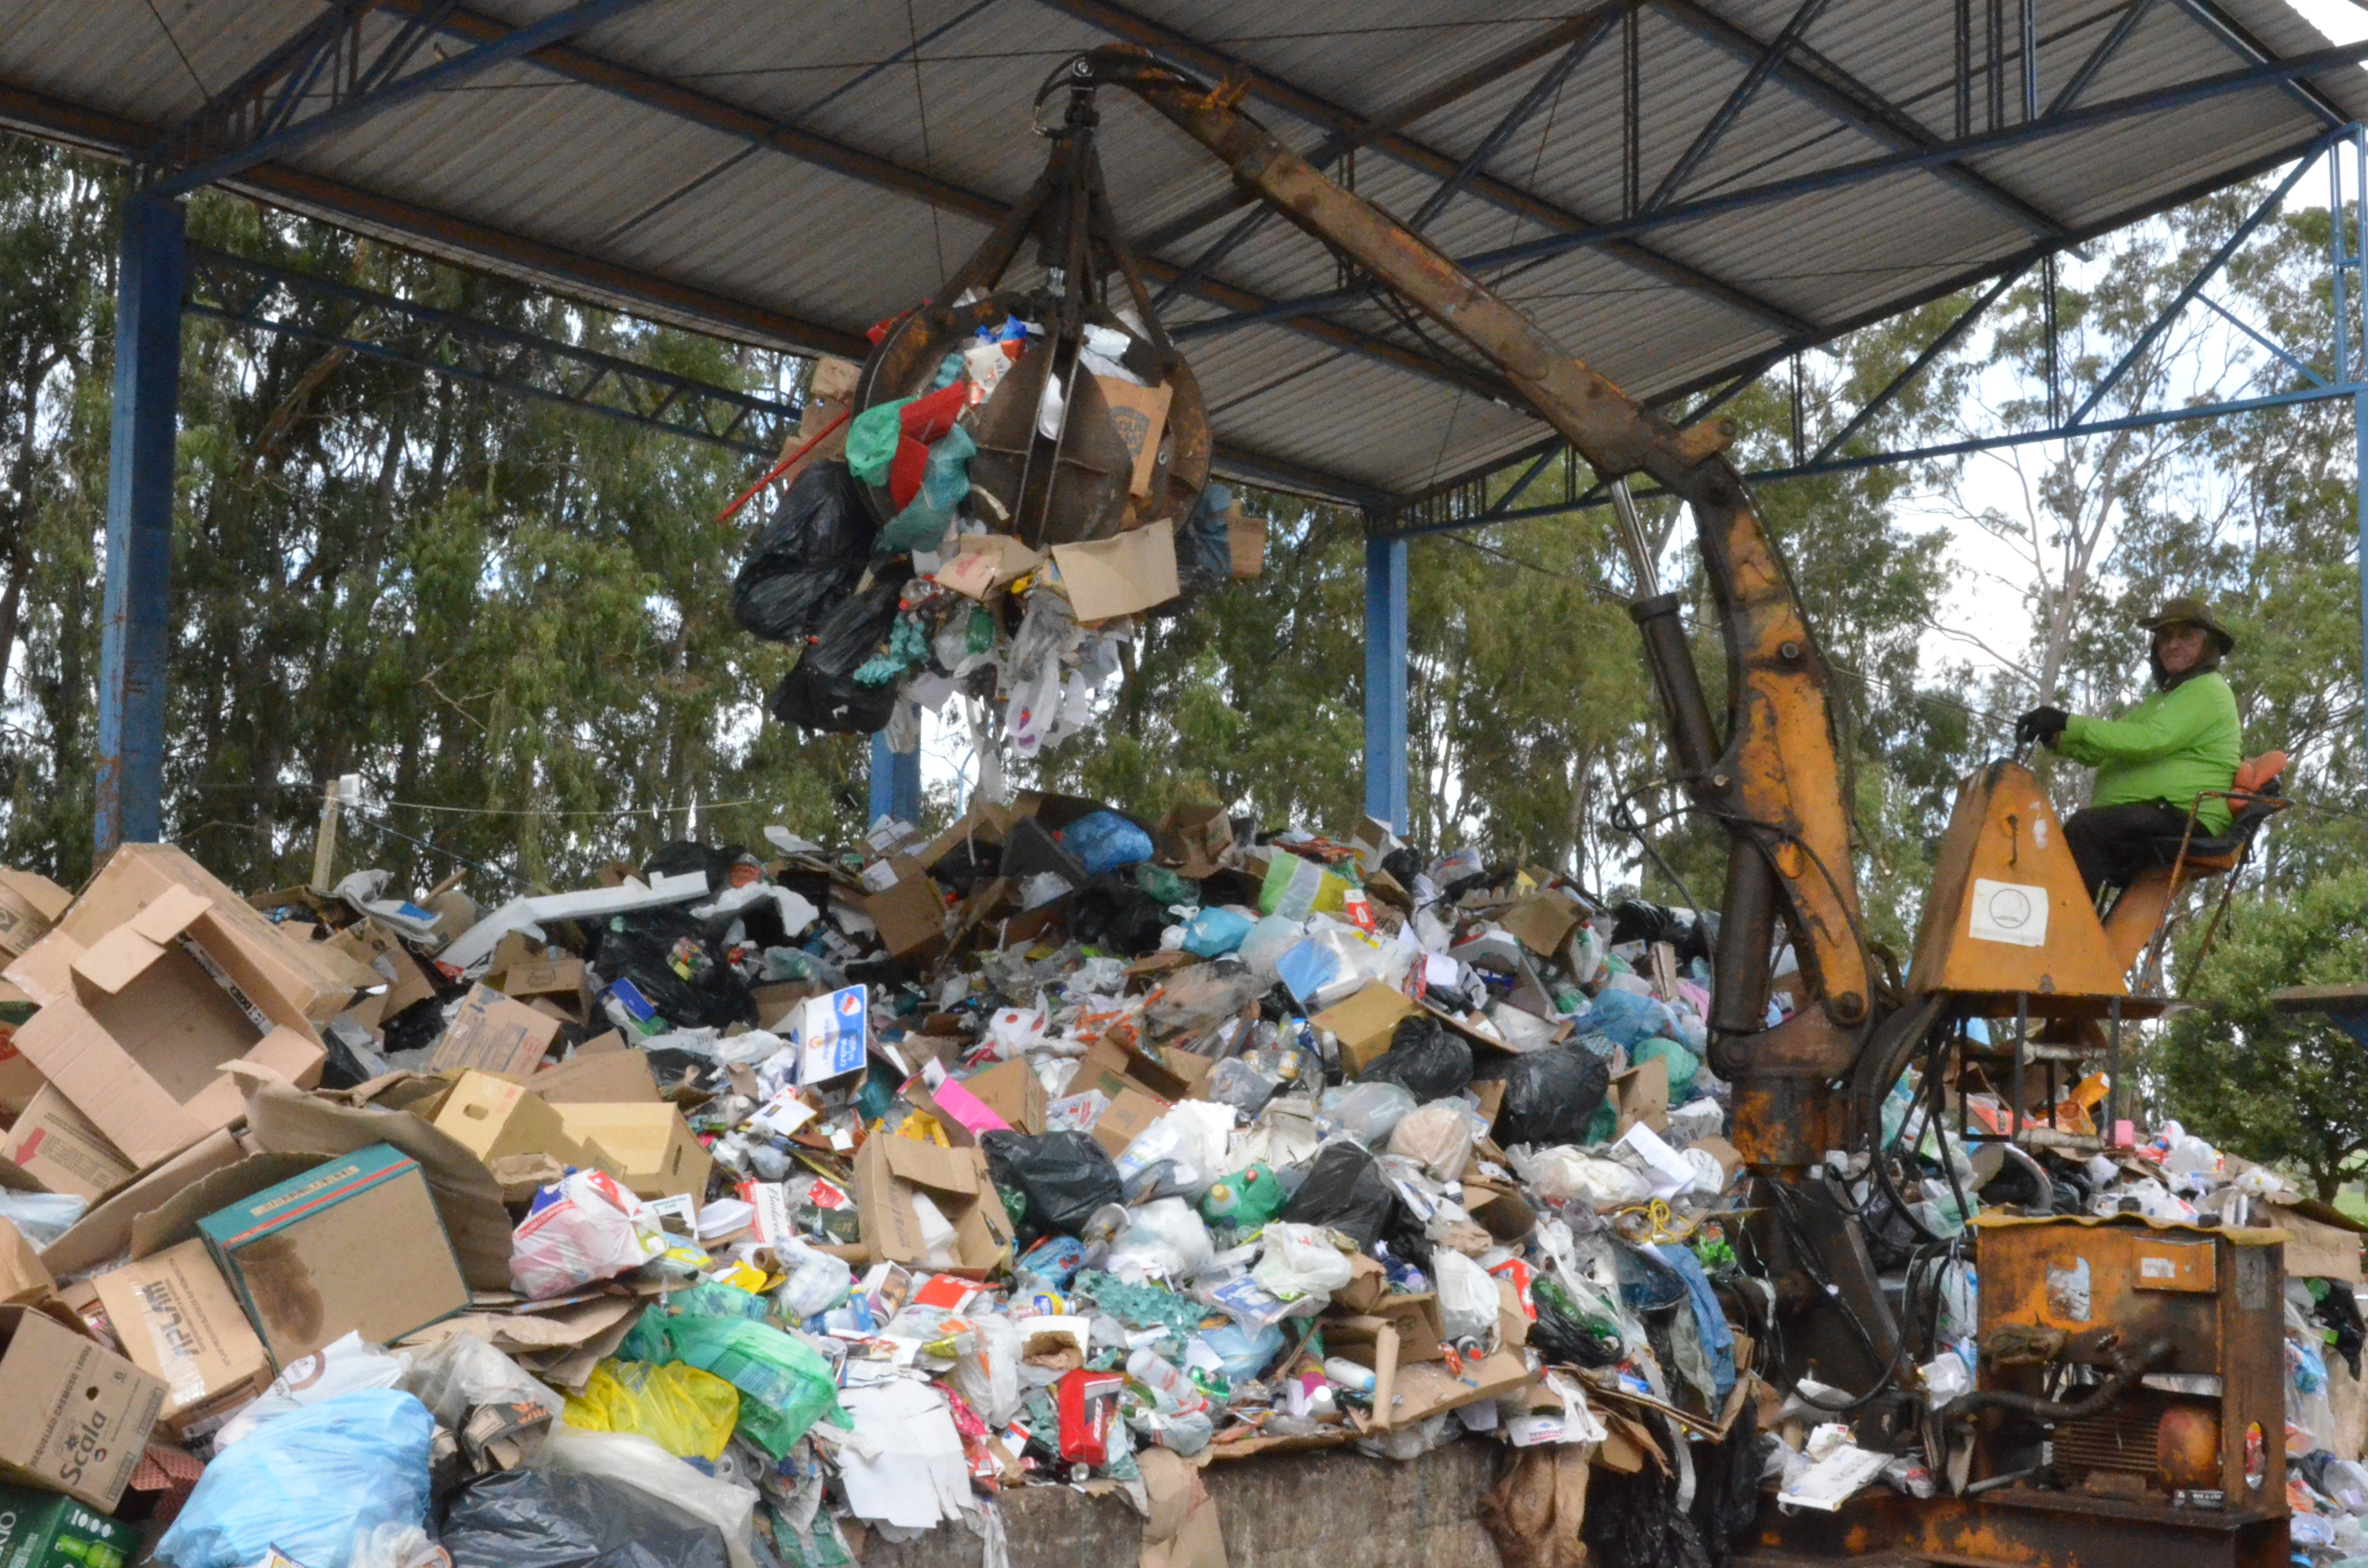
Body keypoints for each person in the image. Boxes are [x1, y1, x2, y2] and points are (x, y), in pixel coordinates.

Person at [2015, 596, 2241, 902]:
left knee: (2087, 829)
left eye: (2186, 636)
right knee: (2081, 830)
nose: (2173, 645)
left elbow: (2147, 742)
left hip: (2188, 817)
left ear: (2208, 645)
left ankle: (2065, 923)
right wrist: (2057, 737)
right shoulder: (2167, 697)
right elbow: (2109, 746)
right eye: (2165, 637)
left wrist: (2068, 721)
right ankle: (2067, 919)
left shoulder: (2208, 690)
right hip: (2163, 813)